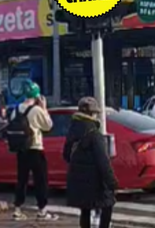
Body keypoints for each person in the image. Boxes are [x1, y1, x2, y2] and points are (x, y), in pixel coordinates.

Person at [8, 80, 59, 221]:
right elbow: (48, 126)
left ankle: (17, 209)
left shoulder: (16, 109)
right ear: (37, 95)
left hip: (21, 149)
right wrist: (44, 109)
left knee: (21, 179)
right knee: (40, 180)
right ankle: (42, 210)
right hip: (35, 148)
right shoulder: (36, 110)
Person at [63, 97, 117, 228]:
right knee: (107, 205)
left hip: (77, 178)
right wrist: (111, 181)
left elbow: (66, 155)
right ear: (93, 114)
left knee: (85, 210)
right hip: (95, 180)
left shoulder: (72, 130)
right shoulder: (94, 133)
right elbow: (103, 161)